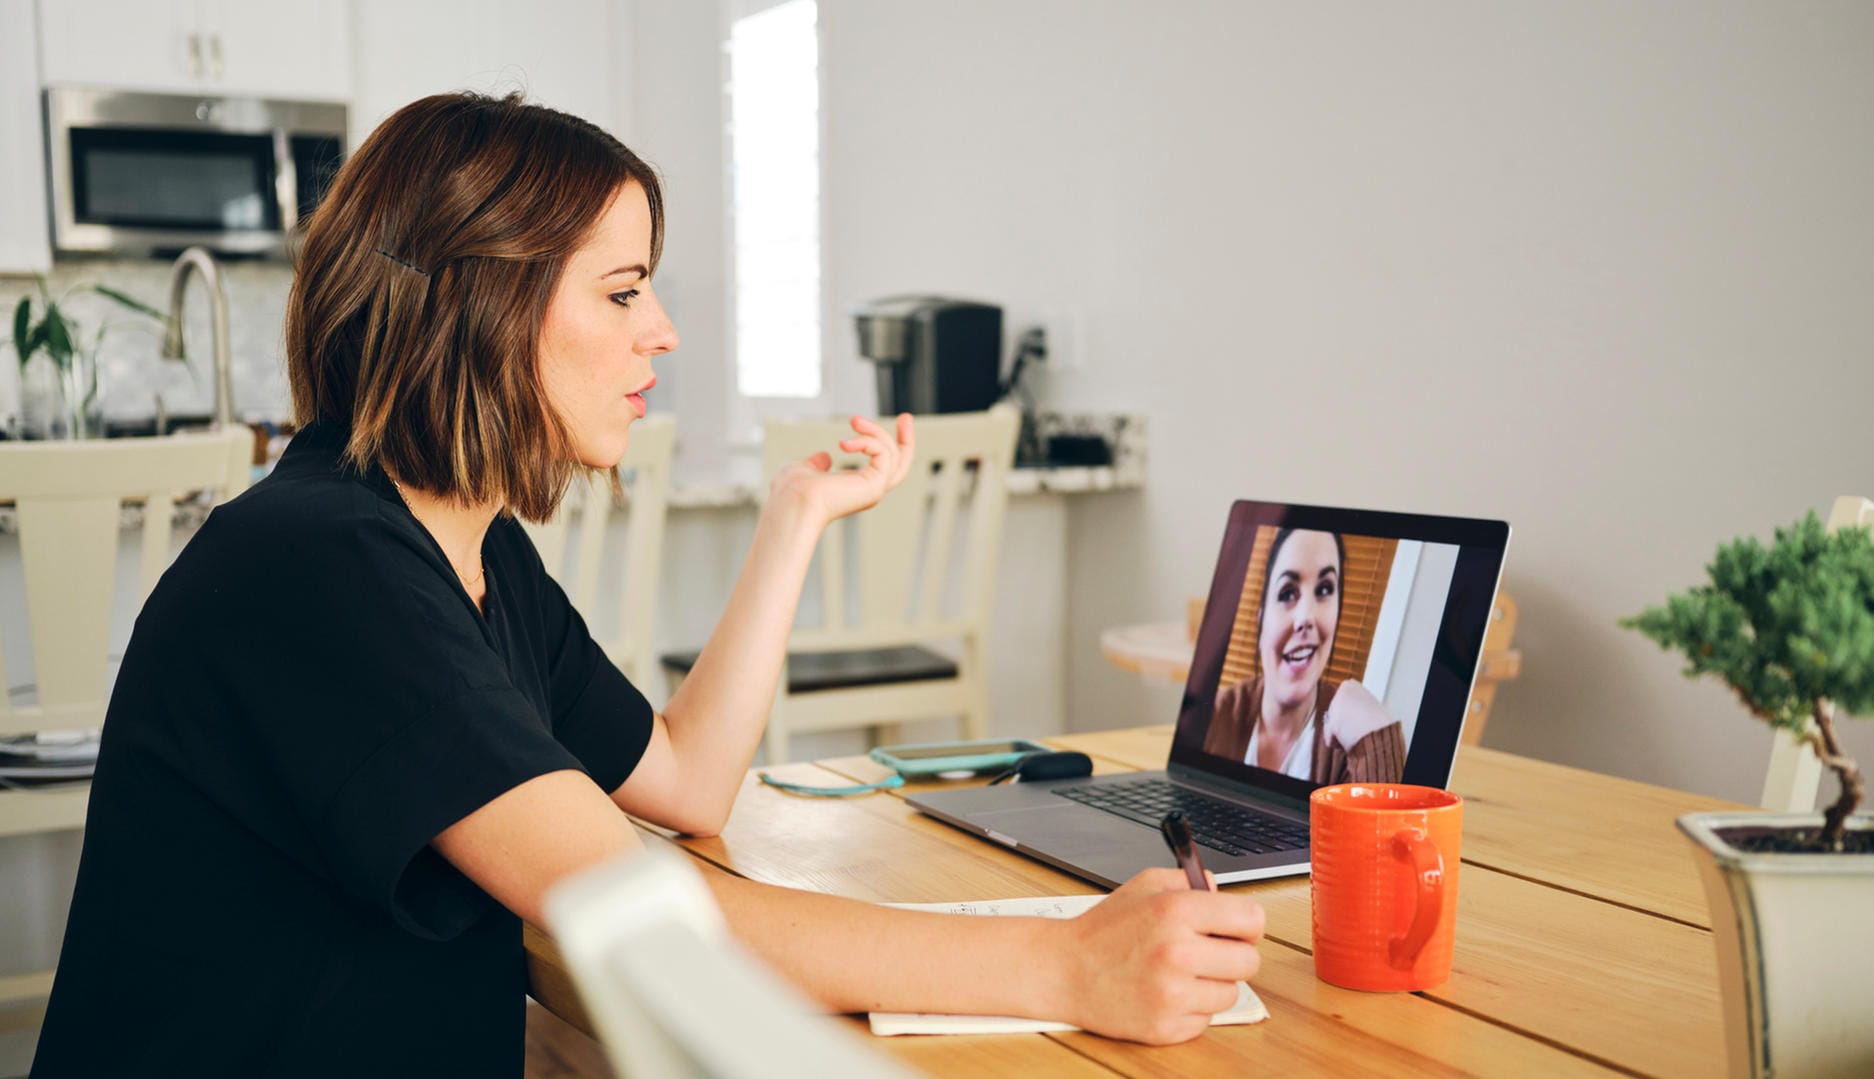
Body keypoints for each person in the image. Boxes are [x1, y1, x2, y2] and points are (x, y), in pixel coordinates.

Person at [29, 93, 1263, 1078]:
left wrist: (796, 516)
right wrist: (1067, 967)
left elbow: (685, 776)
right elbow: (643, 911)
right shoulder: (319, 565)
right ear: (479, 300)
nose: (662, 329)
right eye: (623, 291)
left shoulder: (473, 549)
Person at [1202, 528, 1407, 782]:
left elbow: (1388, 820)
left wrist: (1377, 742)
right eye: (1287, 593)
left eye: (1323, 590)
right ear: (1260, 621)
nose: (1306, 618)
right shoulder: (1213, 713)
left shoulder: (1352, 750)